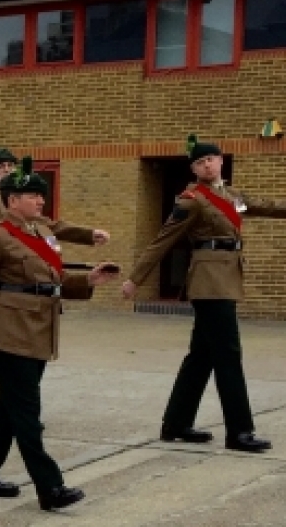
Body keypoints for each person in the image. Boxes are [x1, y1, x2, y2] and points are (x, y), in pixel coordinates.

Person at [0, 159, 119, 510]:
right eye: (32, 196)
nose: (40, 201)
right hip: (8, 332)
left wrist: (87, 280)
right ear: (13, 200)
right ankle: (51, 487)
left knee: (7, 410)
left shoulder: (41, 232)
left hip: (40, 329)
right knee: (27, 413)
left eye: (41, 196)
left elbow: (50, 282)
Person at [121, 134, 286, 452]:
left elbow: (266, 206)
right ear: (194, 169)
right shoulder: (191, 200)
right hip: (209, 281)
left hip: (226, 276)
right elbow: (162, 240)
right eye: (199, 162)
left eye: (210, 159)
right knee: (228, 353)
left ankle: (176, 424)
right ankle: (239, 432)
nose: (206, 165)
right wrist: (135, 279)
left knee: (202, 355)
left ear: (221, 161)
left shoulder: (232, 195)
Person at [0, 144, 109, 424]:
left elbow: (51, 225)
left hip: (18, 283)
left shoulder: (24, 202)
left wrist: (87, 234)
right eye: (2, 167)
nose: (7, 170)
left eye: (11, 166)